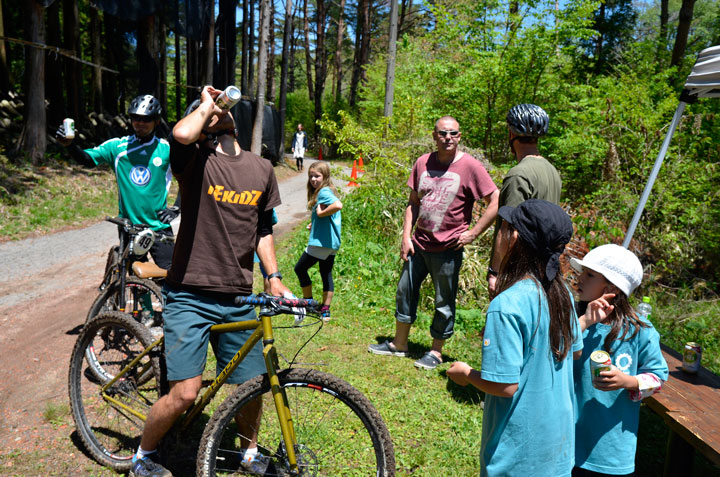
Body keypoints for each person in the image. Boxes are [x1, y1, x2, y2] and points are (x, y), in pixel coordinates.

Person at [129, 86, 291, 477]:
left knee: (252, 385)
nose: (219, 112)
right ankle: (143, 457)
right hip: (189, 294)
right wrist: (205, 105)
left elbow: (264, 229)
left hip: (237, 294)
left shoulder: (261, 169)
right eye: (209, 112)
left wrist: (273, 276)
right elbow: (180, 135)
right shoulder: (193, 160)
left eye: (222, 109)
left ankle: (250, 453)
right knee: (185, 392)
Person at [447, 199, 581, 476]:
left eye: (504, 228)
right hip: (558, 448)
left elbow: (504, 386)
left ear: (514, 237)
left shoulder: (507, 304)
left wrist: (466, 373)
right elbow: (575, 352)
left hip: (519, 456)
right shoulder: (563, 293)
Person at [368, 116, 499, 370]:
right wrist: (406, 237)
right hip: (418, 244)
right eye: (442, 133)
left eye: (453, 133)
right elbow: (413, 202)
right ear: (434, 135)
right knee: (405, 291)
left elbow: (495, 198)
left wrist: (474, 233)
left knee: (443, 300)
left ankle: (436, 352)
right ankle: (400, 344)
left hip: (448, 249)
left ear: (459, 137)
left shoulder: (470, 167)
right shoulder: (422, 163)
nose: (448, 138)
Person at [570, 244, 668, 476]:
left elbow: (658, 378)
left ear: (612, 287)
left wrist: (627, 381)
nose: (579, 278)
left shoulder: (639, 331)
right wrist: (582, 323)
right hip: (566, 441)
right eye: (582, 271)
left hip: (611, 452)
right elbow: (551, 355)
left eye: (590, 274)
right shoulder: (572, 318)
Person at [56, 94, 178, 269]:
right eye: (135, 118)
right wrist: (70, 146)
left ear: (157, 121)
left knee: (171, 279)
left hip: (159, 228)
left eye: (146, 119)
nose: (140, 123)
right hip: (129, 227)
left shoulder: (167, 150)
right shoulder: (118, 147)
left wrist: (176, 207)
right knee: (135, 279)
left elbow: (190, 177)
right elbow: (87, 160)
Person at [487, 103, 561, 296]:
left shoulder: (518, 175)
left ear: (511, 134)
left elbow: (508, 229)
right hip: (544, 270)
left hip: (518, 271)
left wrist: (495, 272)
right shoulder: (552, 171)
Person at [294, 161, 342, 321]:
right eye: (311, 176)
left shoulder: (323, 192)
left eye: (317, 176)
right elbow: (331, 214)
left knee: (300, 269)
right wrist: (314, 222)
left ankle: (308, 304)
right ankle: (325, 310)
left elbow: (338, 205)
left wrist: (320, 214)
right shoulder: (329, 190)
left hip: (321, 243)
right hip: (332, 242)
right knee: (325, 273)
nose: (313, 179)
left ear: (325, 176)